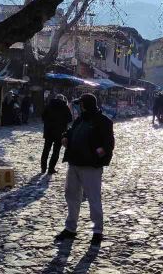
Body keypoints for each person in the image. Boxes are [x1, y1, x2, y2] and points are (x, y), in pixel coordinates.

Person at [55, 93, 114, 246]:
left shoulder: (103, 121)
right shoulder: (80, 119)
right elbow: (70, 131)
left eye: (80, 104)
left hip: (91, 166)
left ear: (84, 105)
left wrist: (99, 155)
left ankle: (97, 231)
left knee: (94, 198)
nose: (78, 107)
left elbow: (108, 144)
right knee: (71, 195)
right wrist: (65, 137)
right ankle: (70, 228)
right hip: (74, 163)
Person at [41, 94, 72, 175]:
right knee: (56, 151)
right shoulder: (65, 107)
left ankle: (43, 168)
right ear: (63, 99)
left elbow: (43, 116)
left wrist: (48, 122)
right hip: (60, 132)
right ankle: (51, 169)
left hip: (49, 131)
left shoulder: (49, 105)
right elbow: (70, 118)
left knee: (46, 150)